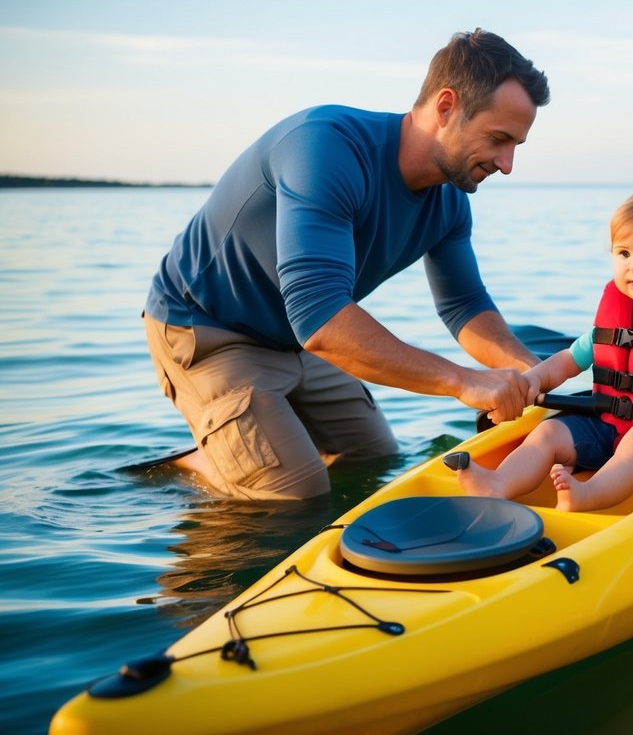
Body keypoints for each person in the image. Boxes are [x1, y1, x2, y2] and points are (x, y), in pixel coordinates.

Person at [142, 29, 550, 500]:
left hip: (296, 338)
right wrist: (463, 381)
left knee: (375, 459)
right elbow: (320, 317)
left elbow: (464, 305)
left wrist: (533, 372)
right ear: (446, 107)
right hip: (207, 329)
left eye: (516, 145)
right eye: (499, 139)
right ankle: (212, 461)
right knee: (297, 495)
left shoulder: (450, 201)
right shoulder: (326, 148)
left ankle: (265, 444)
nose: (508, 164)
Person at [444, 184, 633, 511]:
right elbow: (569, 360)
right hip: (609, 426)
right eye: (624, 253)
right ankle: (497, 484)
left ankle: (586, 495)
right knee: (551, 431)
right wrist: (533, 380)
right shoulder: (616, 314)